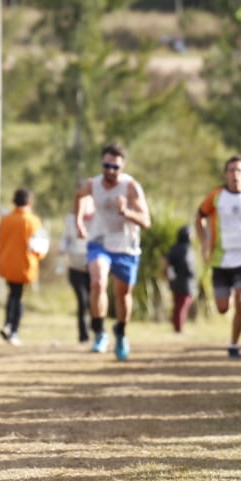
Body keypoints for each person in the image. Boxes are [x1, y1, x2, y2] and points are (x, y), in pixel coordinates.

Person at [75, 143, 151, 361]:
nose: (110, 170)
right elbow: (78, 196)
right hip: (99, 240)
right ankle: (99, 332)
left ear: (122, 167)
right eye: (106, 165)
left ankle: (121, 332)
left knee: (122, 293)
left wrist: (125, 211)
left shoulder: (131, 188)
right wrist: (79, 221)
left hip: (126, 246)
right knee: (97, 281)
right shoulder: (92, 184)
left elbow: (146, 221)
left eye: (115, 167)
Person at [196, 155, 241, 358]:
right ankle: (229, 314)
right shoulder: (215, 196)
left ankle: (234, 344)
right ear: (225, 174)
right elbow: (200, 216)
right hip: (220, 259)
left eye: (239, 170)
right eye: (231, 170)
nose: (235, 175)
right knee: (223, 308)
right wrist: (204, 242)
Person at [0, 189, 43, 346]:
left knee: (13, 294)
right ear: (29, 202)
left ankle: (8, 324)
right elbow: (40, 246)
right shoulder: (33, 221)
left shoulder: (5, 219)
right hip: (25, 265)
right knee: (18, 296)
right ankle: (12, 328)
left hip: (7, 263)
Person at [59, 195, 94, 344]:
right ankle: (83, 334)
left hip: (94, 266)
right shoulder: (70, 220)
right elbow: (65, 238)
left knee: (93, 300)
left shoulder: (99, 220)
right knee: (82, 299)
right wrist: (62, 250)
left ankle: (96, 327)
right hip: (75, 266)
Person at [164, 226, 196, 333]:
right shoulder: (186, 249)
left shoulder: (174, 248)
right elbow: (188, 265)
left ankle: (177, 325)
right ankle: (179, 327)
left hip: (175, 280)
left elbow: (166, 262)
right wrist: (191, 273)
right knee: (183, 304)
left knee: (178, 304)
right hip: (186, 281)